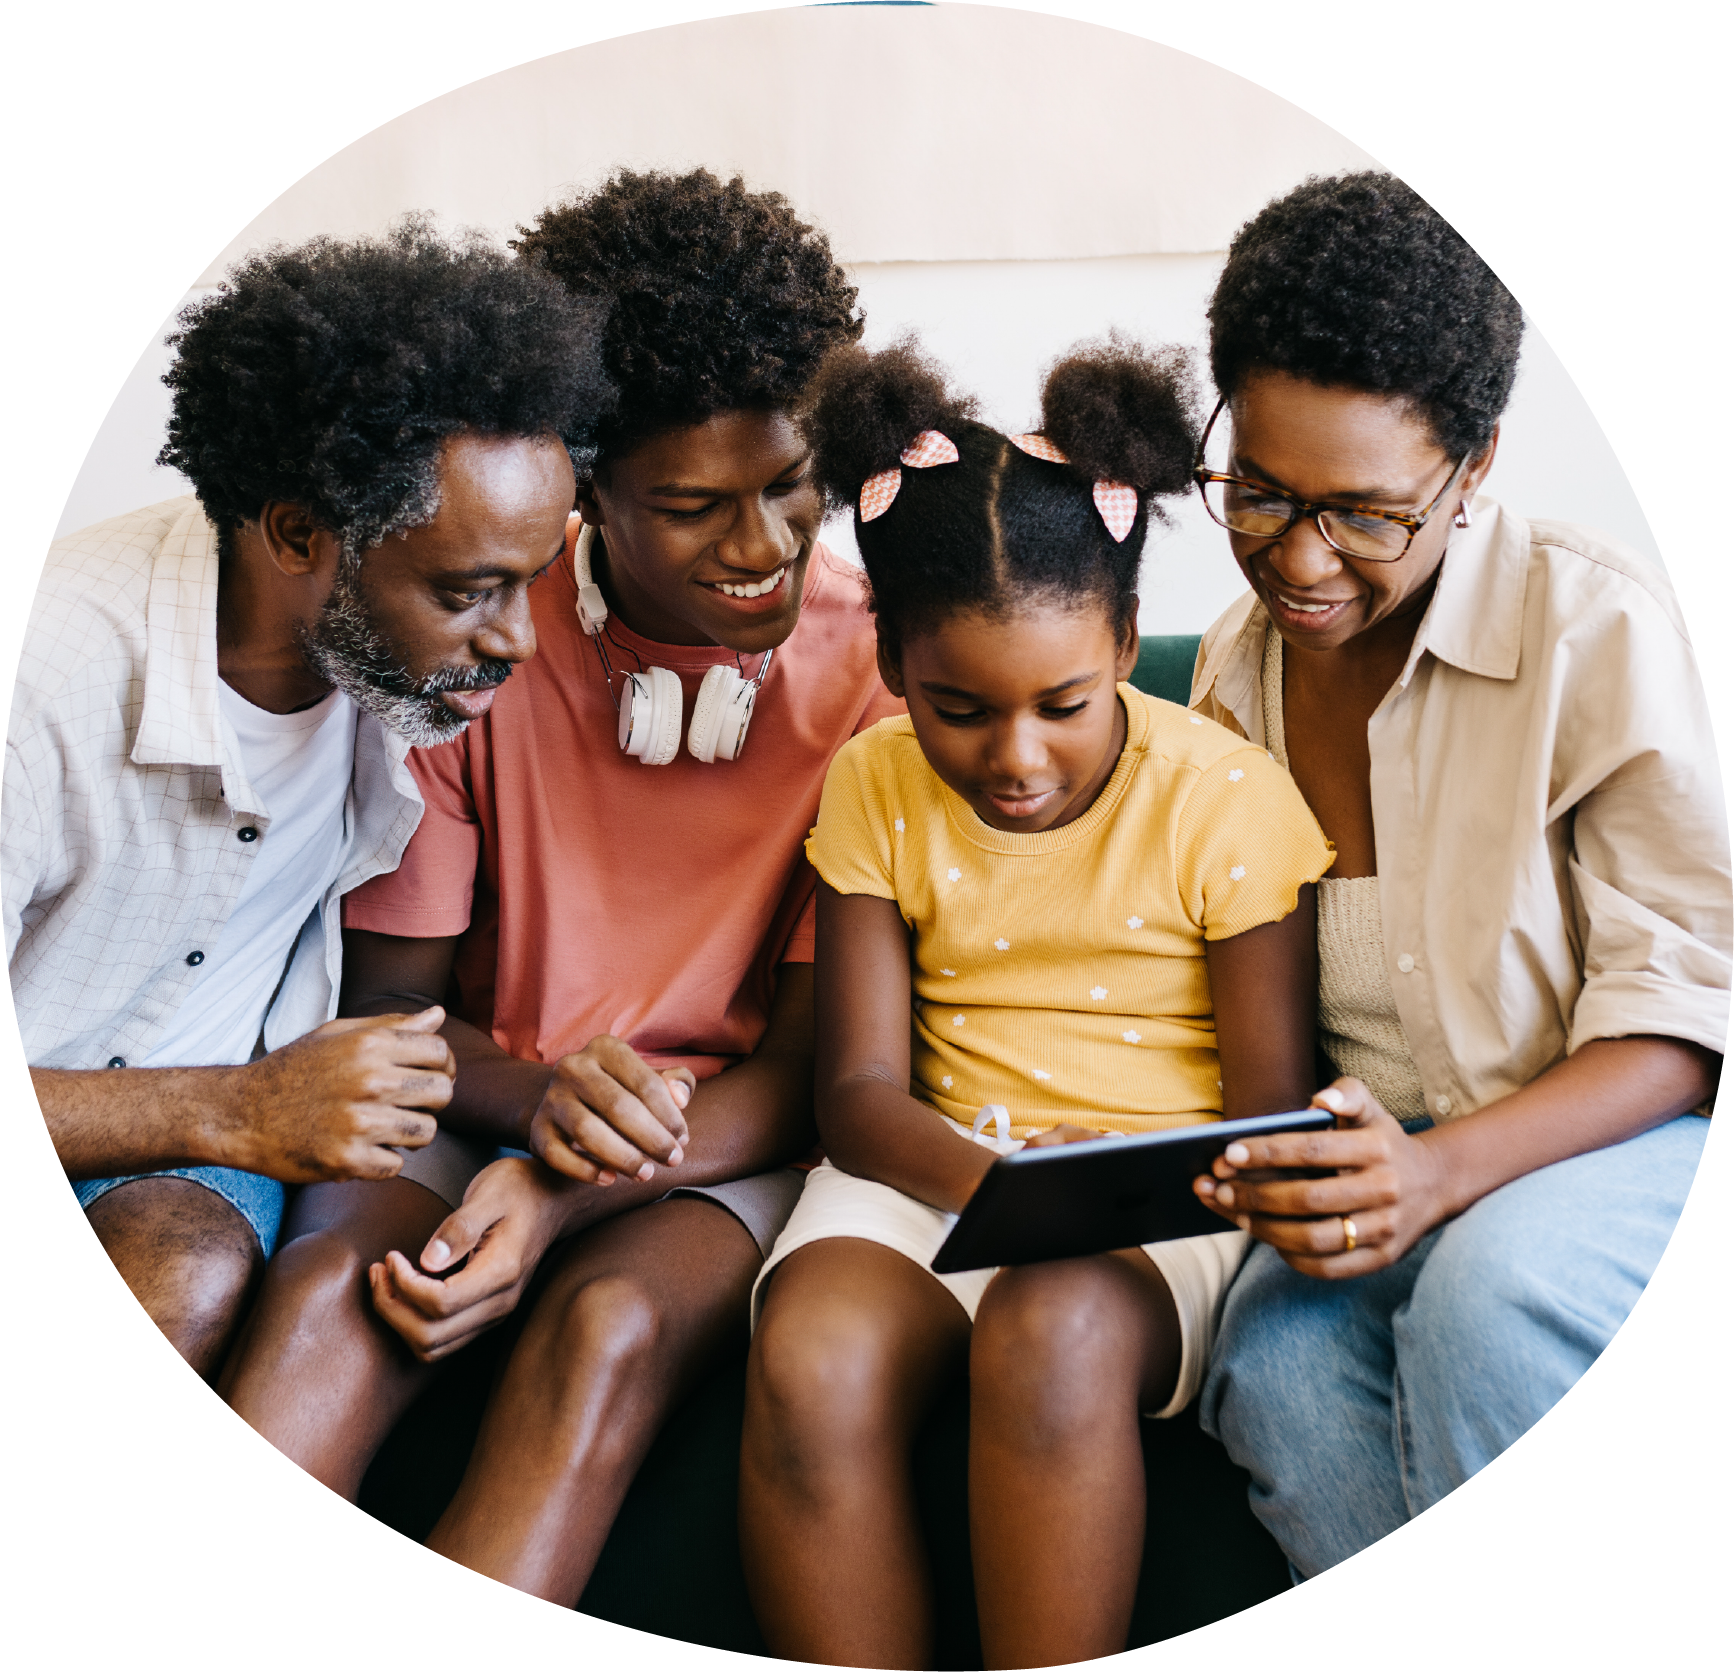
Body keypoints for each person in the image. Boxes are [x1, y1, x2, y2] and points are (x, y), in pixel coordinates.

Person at [220, 169, 895, 1606]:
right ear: (583, 488)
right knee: (338, 1300)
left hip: (722, 1144)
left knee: (601, 1335)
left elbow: (801, 1075)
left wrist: (558, 1185)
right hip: (482, 1101)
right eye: (694, 506)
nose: (763, 546)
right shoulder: (473, 642)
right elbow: (394, 1011)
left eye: (790, 488)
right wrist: (535, 1120)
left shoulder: (882, 680)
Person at [737, 337, 1335, 1670]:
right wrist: (999, 1181)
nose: (1013, 759)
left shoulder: (1221, 800)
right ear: (890, 660)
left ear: (1126, 643)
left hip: (1156, 1194)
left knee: (1047, 1330)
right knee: (808, 1356)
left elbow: (1265, 1114)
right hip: (926, 1162)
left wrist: (1093, 1189)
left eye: (1064, 705)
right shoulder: (875, 783)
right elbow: (854, 1096)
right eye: (956, 708)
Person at [1183, 172, 1728, 1578]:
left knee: (1490, 1296)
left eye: (1364, 514)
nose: (1296, 561)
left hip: (1596, 1148)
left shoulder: (1587, 625)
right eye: (1255, 489)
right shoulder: (1233, 676)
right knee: (1277, 1370)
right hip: (1377, 1176)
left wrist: (1435, 1178)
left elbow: (1678, 1020)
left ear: (1473, 468)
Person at [6, 220, 608, 1378]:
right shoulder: (43, 683)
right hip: (132, 1111)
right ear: (297, 533)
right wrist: (239, 1106)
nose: (520, 638)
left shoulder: (389, 675)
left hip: (188, 1171)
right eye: (468, 590)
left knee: (183, 1275)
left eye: (532, 578)